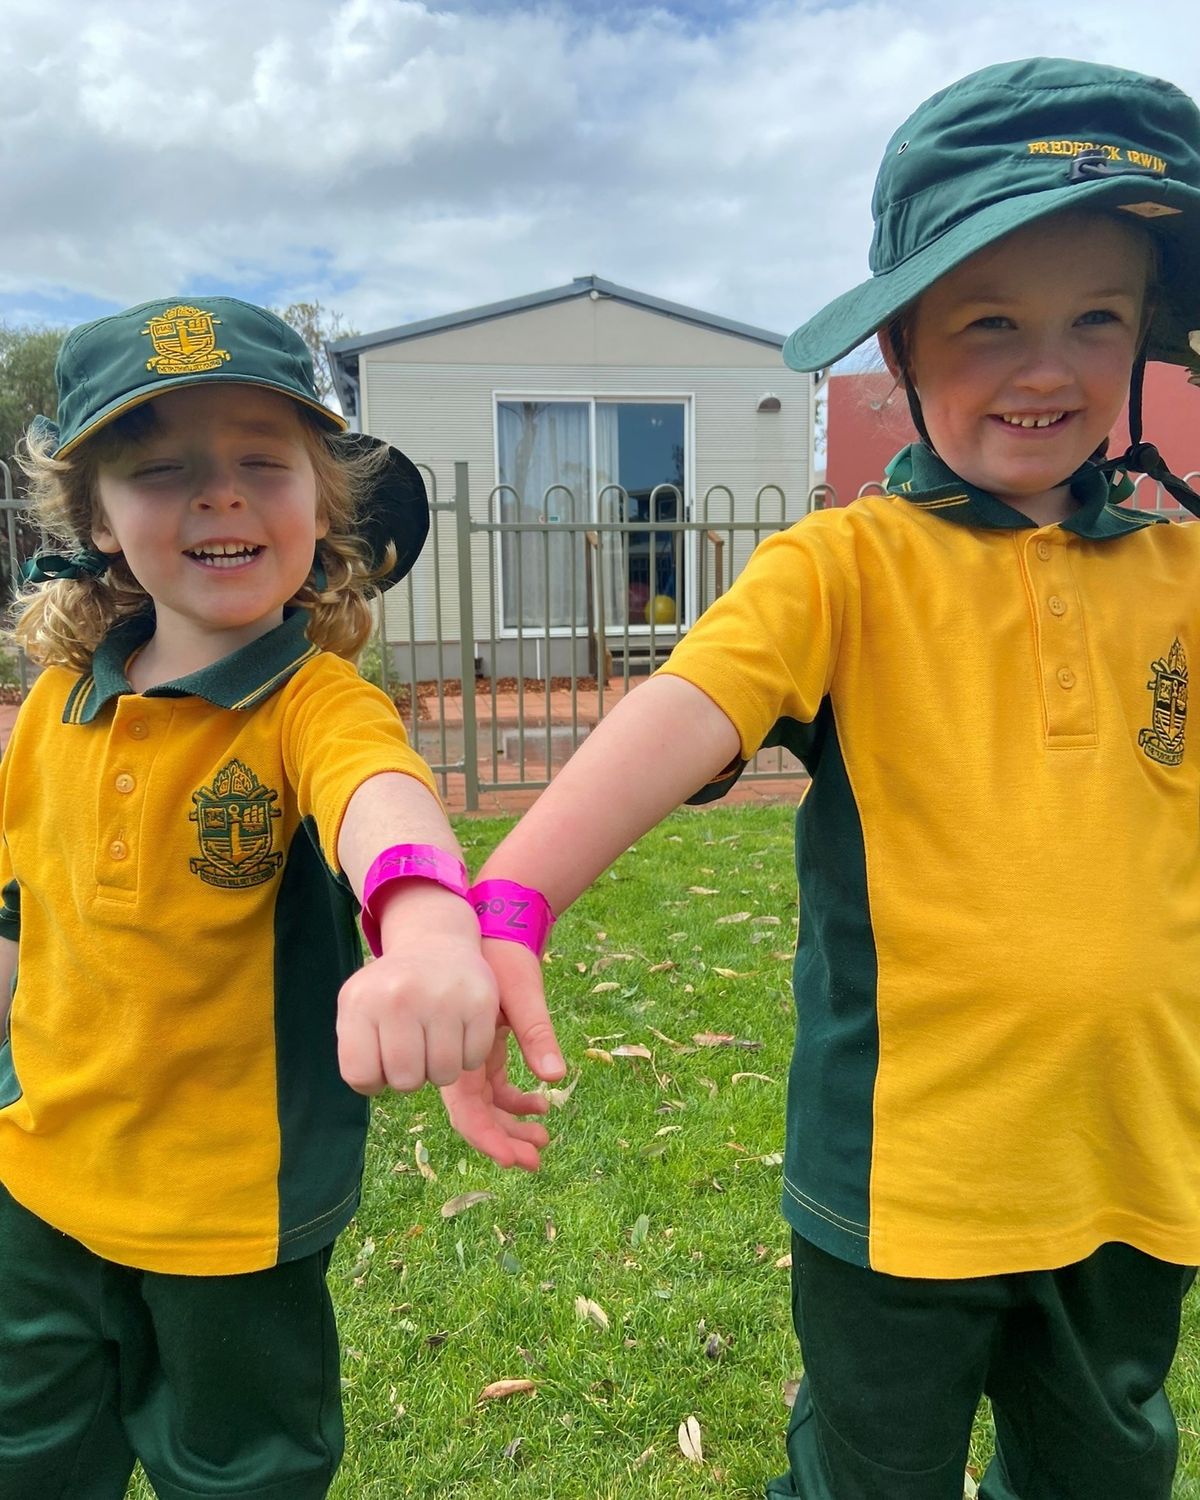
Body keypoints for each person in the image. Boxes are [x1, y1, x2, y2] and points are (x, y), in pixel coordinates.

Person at [442, 58, 1200, 1499]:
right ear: (901, 342)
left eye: (1097, 318)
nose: (1049, 368)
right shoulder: (844, 568)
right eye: (991, 322)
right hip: (900, 1187)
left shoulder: (1183, 573)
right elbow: (679, 711)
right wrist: (511, 902)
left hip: (1136, 1166)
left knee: (1106, 1474)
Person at [0, 296, 549, 1499]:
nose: (221, 496)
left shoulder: (317, 704)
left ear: (324, 501)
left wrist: (429, 932)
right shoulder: (51, 704)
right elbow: (19, 915)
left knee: (242, 1476)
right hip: (35, 1186)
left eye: (263, 461)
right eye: (162, 470)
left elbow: (383, 804)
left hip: (232, 1220)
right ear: (95, 517)